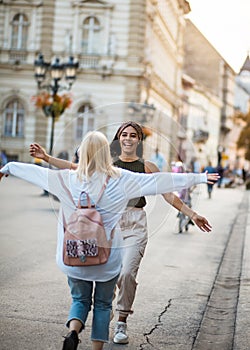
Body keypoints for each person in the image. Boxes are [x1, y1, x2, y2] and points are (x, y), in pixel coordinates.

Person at [0, 132, 218, 350]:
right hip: (106, 260)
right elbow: (159, 182)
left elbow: (33, 172)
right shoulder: (121, 178)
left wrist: (7, 168)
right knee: (103, 305)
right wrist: (197, 178)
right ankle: (97, 348)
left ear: (82, 152)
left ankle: (73, 331)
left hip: (74, 256)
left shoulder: (66, 178)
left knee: (80, 300)